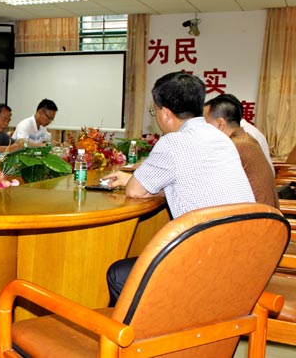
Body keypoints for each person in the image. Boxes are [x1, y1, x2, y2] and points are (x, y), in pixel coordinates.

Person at [103, 72, 255, 305]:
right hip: (245, 256)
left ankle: (149, 328)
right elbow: (195, 181)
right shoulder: (220, 137)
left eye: (154, 111)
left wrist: (135, 182)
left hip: (207, 260)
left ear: (165, 112)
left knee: (118, 274)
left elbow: (135, 191)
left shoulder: (173, 142)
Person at [203, 93, 279, 208]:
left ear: (220, 124)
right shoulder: (245, 139)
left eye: (206, 124)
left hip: (255, 216)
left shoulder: (232, 146)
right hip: (264, 213)